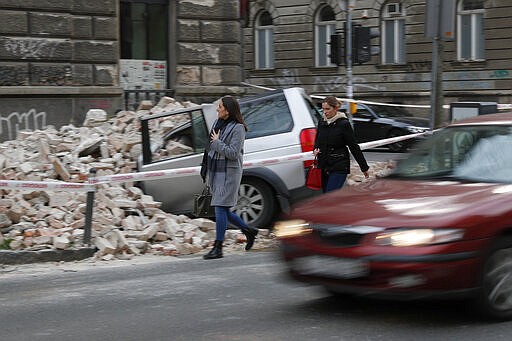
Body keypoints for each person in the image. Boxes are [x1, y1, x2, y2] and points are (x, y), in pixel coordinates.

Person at [201, 96, 258, 260]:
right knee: (223, 209)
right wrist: (205, 166)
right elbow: (209, 146)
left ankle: (218, 247)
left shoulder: (238, 128)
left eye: (220, 106)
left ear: (228, 110)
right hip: (216, 171)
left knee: (219, 207)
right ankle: (249, 231)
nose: (217, 109)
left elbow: (233, 153)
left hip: (229, 174)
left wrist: (217, 142)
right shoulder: (217, 123)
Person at [313, 96, 369, 193]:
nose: (325, 112)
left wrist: (363, 167)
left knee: (330, 197)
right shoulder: (322, 122)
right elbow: (318, 139)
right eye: (323, 109)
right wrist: (315, 148)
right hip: (324, 166)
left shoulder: (344, 124)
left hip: (339, 165)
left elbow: (353, 146)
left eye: (328, 109)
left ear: (336, 108)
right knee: (326, 197)